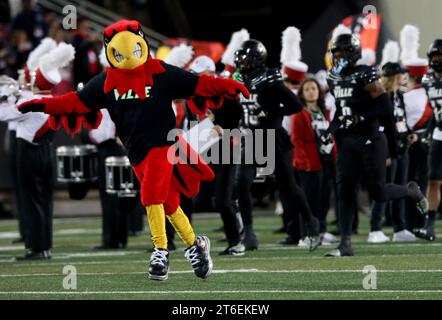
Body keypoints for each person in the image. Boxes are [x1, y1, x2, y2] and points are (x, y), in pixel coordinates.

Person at [17, 20, 249, 281]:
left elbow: (198, 84)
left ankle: (160, 251)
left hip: (164, 145)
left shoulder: (159, 71)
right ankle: (197, 245)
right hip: (136, 151)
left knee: (151, 194)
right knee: (169, 203)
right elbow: (75, 103)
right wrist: (41, 105)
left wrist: (229, 87)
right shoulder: (106, 81)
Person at [324, 33, 428, 257]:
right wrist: (330, 130)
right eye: (337, 52)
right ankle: (345, 243)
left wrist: (391, 146)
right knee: (344, 190)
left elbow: (385, 109)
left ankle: (411, 191)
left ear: (354, 54)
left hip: (371, 138)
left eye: (345, 52)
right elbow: (342, 111)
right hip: (348, 140)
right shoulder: (332, 77)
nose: (340, 56)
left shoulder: (366, 74)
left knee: (379, 192)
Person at [233, 39, 321, 252]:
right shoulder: (239, 79)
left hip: (272, 137)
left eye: (246, 56)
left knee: (288, 186)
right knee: (242, 183)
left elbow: (295, 105)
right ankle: (250, 234)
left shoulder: (268, 78)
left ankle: (311, 221)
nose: (242, 61)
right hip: (252, 139)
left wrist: (270, 112)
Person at [0, 40, 75, 260]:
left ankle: (37, 247)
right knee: (44, 201)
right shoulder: (52, 99)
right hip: (46, 152)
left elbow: (4, 115)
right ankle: (45, 246)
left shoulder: (30, 99)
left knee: (32, 200)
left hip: (29, 152)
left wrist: (4, 93)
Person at [368, 41, 417, 243]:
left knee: (400, 187)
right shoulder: (381, 98)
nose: (403, 76)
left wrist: (409, 134)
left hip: (401, 147)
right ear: (392, 77)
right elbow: (379, 127)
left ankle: (399, 228)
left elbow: (400, 122)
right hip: (386, 150)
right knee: (384, 187)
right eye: (400, 74)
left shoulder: (398, 96)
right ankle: (375, 229)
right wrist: (385, 152)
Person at [292, 77, 337, 246]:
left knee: (324, 199)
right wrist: (304, 161)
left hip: (325, 161)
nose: (311, 91)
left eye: (314, 88)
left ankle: (321, 231)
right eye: (307, 89)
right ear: (302, 94)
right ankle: (307, 234)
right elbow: (296, 139)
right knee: (309, 201)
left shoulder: (323, 111)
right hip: (309, 164)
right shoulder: (300, 112)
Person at [416, 38, 442, 241]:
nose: (437, 60)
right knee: (433, 180)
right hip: (439, 134)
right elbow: (432, 111)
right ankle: (429, 225)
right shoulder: (427, 80)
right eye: (435, 57)